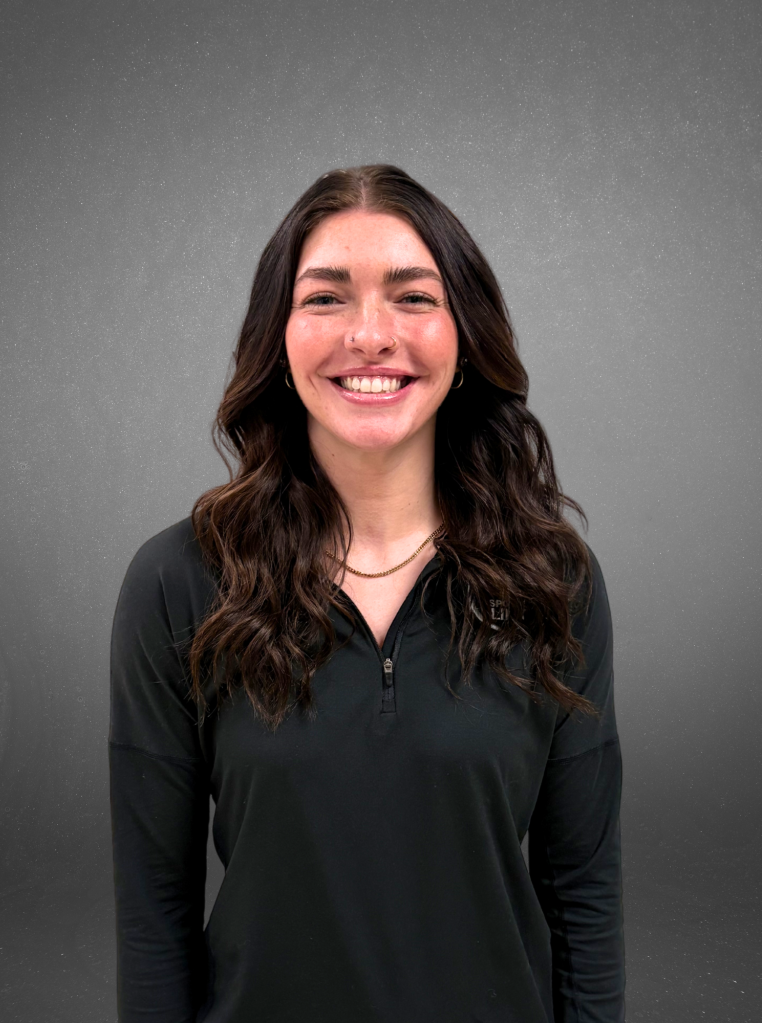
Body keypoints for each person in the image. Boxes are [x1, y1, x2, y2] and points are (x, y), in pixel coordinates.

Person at [108, 164, 625, 1023]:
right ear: (277, 340)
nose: (370, 335)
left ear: (465, 338)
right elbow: (154, 914)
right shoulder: (180, 581)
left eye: (413, 297)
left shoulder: (554, 582)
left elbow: (583, 894)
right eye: (325, 298)